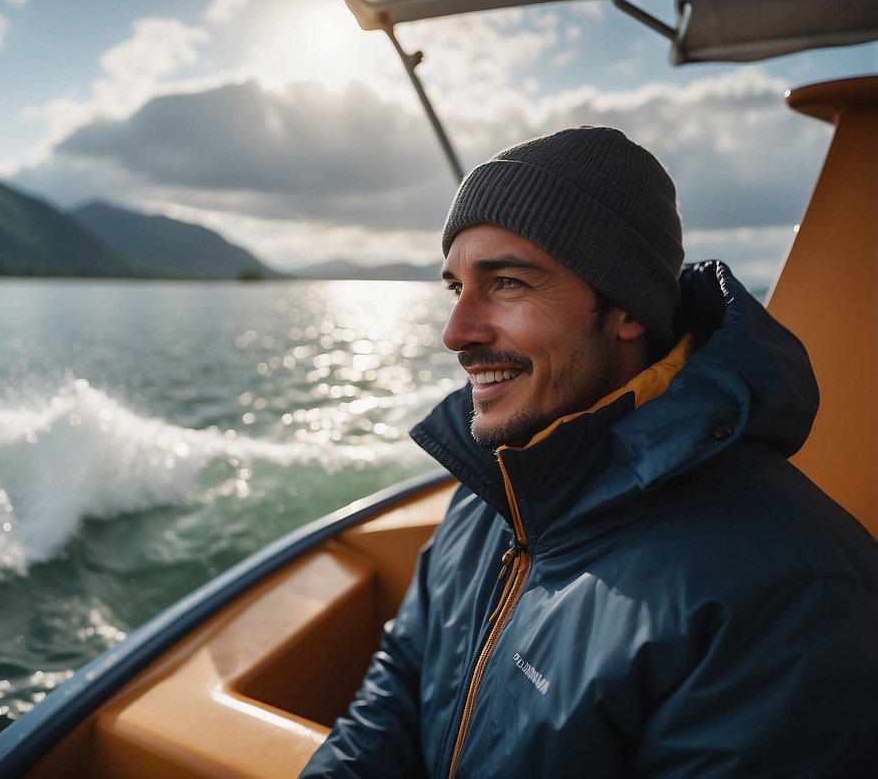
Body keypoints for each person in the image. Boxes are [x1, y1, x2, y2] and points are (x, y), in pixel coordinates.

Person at [300, 126, 878, 777]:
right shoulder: (492, 493)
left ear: (625, 310)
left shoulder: (791, 593)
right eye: (454, 287)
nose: (455, 332)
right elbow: (397, 691)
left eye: (508, 283)